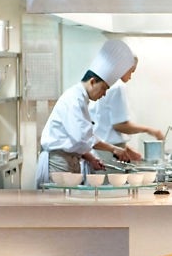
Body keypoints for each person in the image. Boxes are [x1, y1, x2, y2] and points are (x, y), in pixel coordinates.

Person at [36, 39, 142, 187]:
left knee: (69, 199)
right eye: (104, 88)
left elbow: (79, 138)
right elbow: (83, 137)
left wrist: (91, 158)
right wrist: (114, 149)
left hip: (70, 160)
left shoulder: (82, 100)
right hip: (59, 162)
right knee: (59, 200)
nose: (104, 94)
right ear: (92, 82)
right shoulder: (74, 99)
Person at [88, 56, 165, 164]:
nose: (130, 77)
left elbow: (105, 126)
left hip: (101, 151)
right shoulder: (118, 86)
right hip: (109, 154)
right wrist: (151, 130)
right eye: (131, 72)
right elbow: (119, 125)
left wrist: (126, 148)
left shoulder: (104, 83)